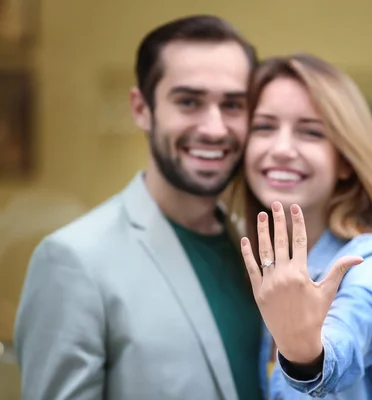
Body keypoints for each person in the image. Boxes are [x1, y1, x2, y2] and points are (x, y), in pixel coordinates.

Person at [14, 15, 264, 400]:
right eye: (189, 101)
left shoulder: (255, 248)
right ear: (141, 108)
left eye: (232, 105)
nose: (214, 128)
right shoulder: (73, 260)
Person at [238, 54, 372, 399]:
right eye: (264, 127)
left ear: (345, 162)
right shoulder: (249, 262)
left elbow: (353, 323)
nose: (281, 149)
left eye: (310, 132)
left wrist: (307, 353)